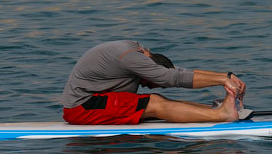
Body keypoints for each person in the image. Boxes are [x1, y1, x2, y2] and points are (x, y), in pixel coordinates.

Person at [62, 40, 248, 125]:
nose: (145, 86)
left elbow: (176, 73)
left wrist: (226, 75)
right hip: (82, 107)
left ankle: (214, 111)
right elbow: (171, 78)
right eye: (151, 83)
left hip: (95, 100)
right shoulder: (130, 57)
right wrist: (222, 80)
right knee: (154, 103)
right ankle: (221, 116)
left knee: (155, 99)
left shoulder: (137, 54)